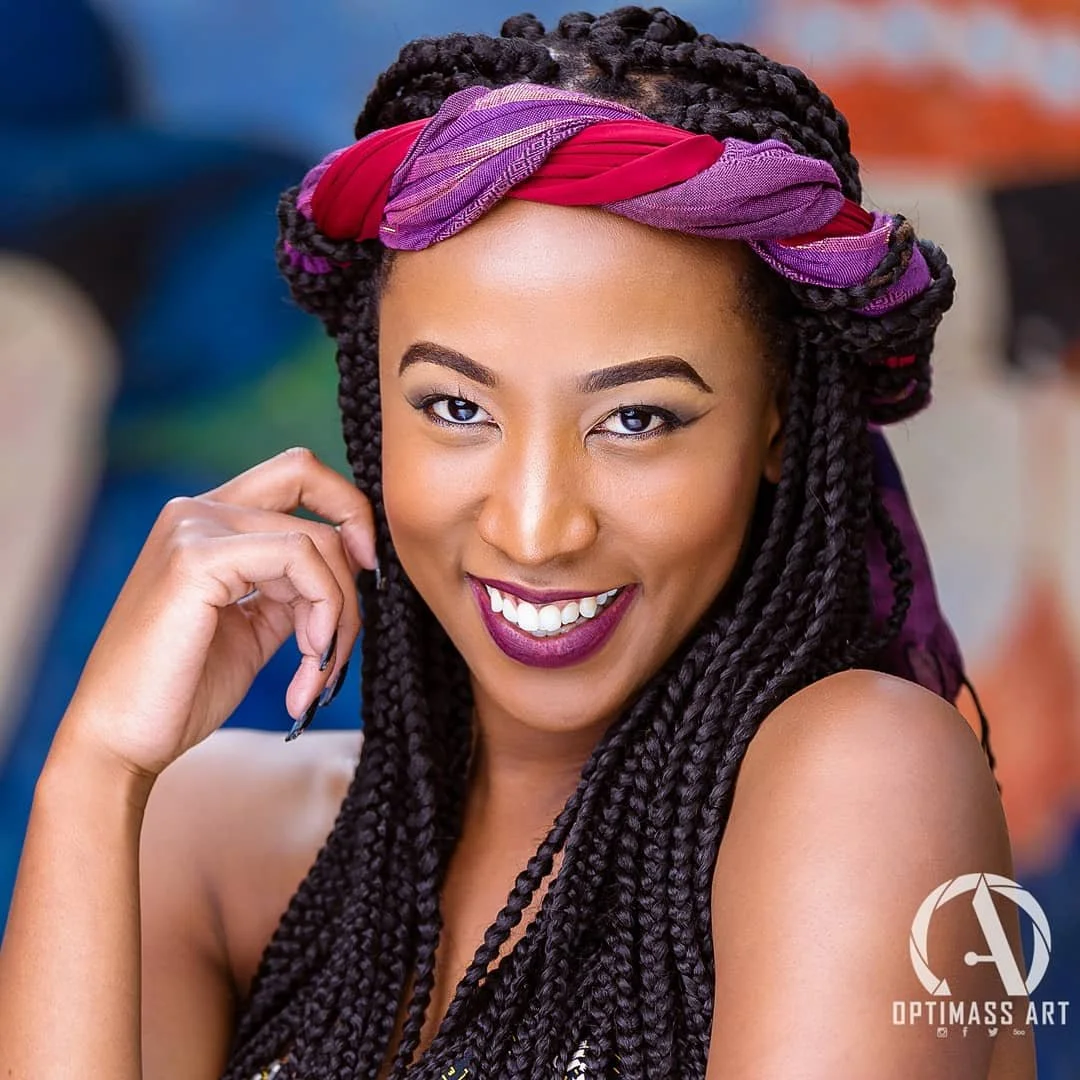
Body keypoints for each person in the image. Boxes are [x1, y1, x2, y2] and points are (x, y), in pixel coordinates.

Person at [0, 7, 1034, 1079]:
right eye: (456, 409)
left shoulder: (865, 775)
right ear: (370, 411)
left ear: (774, 425)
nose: (536, 529)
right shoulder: (212, 845)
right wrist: (96, 772)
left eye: (636, 419)